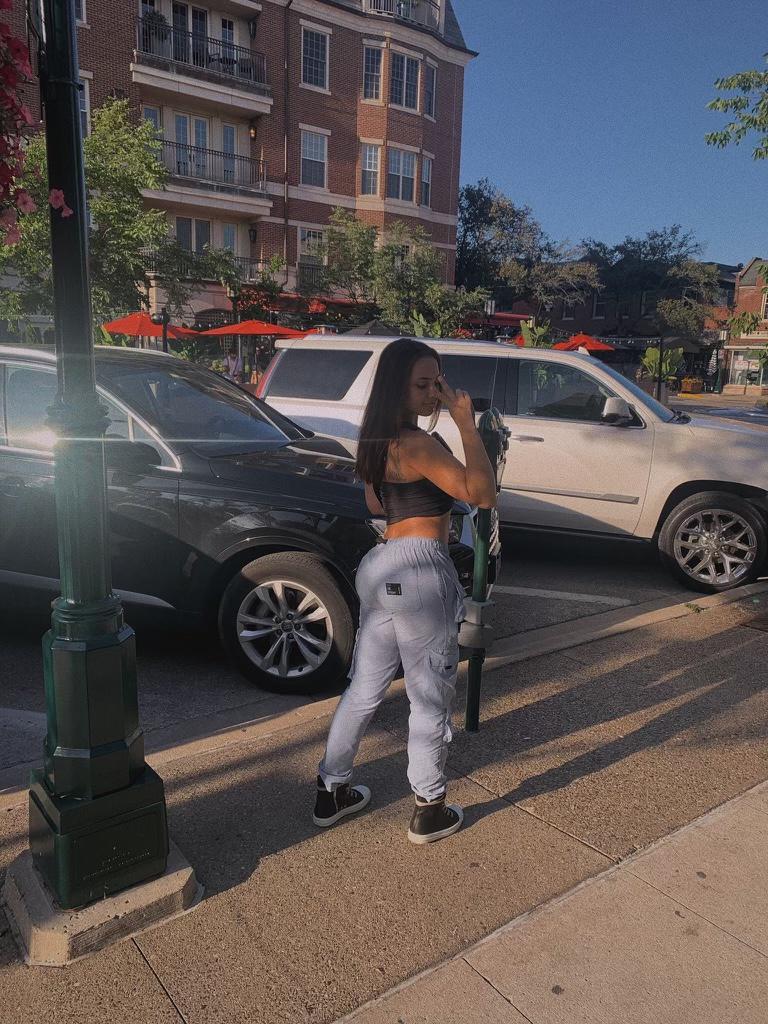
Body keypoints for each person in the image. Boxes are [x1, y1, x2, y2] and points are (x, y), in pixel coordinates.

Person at [313, 338, 497, 844]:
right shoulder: (417, 443)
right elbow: (482, 494)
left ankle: (331, 790)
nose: (434, 393)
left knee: (363, 689)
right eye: (423, 384)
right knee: (429, 694)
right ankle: (429, 808)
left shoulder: (376, 441)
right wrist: (466, 425)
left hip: (382, 564)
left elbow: (377, 503)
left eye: (437, 382)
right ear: (397, 386)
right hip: (420, 568)